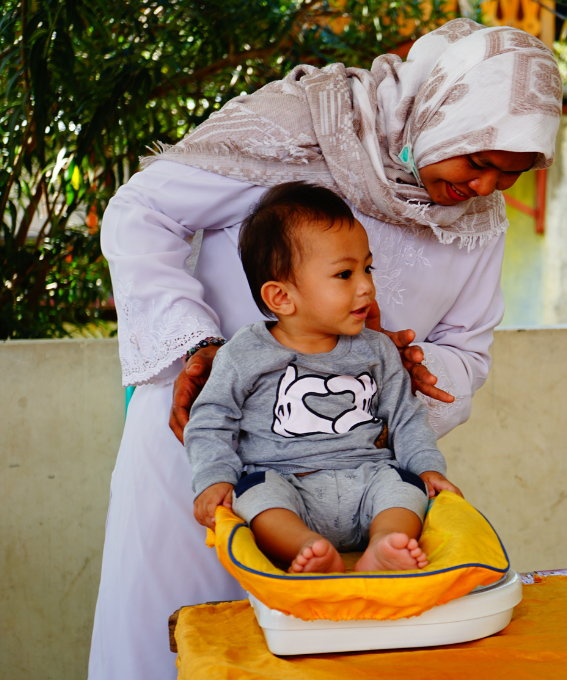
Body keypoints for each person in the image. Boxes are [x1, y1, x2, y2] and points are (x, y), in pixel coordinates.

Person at [89, 18, 561, 679]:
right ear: (437, 114)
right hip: (203, 440)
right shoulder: (300, 126)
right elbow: (143, 214)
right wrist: (196, 343)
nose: (485, 188)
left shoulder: (478, 216)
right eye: (478, 161)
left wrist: (422, 372)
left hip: (344, 470)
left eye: (510, 175)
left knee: (324, 644)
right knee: (176, 632)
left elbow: (465, 347)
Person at [187, 182, 461, 574]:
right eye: (345, 274)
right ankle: (309, 550)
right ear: (281, 297)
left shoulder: (377, 350)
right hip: (285, 482)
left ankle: (384, 545)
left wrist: (427, 468)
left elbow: (407, 419)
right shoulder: (244, 353)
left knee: (404, 489)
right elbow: (211, 421)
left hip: (367, 477)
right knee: (254, 496)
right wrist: (214, 478)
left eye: (368, 268)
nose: (367, 286)